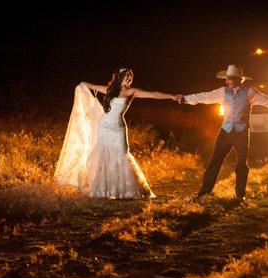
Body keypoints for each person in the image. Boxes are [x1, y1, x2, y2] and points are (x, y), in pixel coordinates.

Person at [54, 67, 180, 199]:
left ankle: (125, 190)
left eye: (131, 77)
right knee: (104, 155)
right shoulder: (110, 90)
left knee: (122, 153)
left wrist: (171, 96)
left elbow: (153, 94)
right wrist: (81, 86)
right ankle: (103, 190)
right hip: (104, 126)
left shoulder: (132, 91)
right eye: (127, 76)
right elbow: (89, 85)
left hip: (118, 127)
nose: (130, 79)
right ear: (120, 77)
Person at [178, 64, 268, 202]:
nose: (226, 81)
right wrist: (185, 98)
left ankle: (240, 195)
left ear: (238, 79)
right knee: (215, 162)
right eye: (226, 79)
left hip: (241, 133)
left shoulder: (250, 92)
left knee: (241, 164)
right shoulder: (222, 92)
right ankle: (204, 193)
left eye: (229, 79)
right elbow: (204, 97)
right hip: (225, 132)